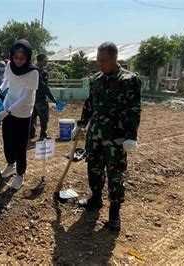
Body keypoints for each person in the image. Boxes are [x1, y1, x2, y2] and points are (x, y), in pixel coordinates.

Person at [71, 42, 142, 231]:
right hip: (95, 135)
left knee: (115, 174)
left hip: (116, 137)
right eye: (98, 60)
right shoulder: (96, 79)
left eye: (103, 60)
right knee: (93, 169)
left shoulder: (129, 80)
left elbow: (134, 110)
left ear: (114, 58)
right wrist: (81, 124)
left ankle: (114, 212)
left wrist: (131, 136)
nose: (99, 64)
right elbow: (89, 104)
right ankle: (95, 199)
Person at [0, 39, 39, 190]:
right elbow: (6, 81)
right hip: (8, 107)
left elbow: (26, 96)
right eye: (16, 57)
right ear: (12, 56)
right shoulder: (9, 65)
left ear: (28, 58)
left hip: (23, 112)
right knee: (7, 141)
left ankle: (20, 174)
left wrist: (8, 111)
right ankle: (10, 165)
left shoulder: (33, 72)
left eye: (22, 58)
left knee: (20, 145)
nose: (18, 61)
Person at [29, 54, 57, 140]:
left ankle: (31, 134)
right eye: (45, 60)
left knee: (32, 118)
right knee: (44, 118)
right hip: (40, 99)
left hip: (31, 99)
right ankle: (43, 135)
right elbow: (44, 86)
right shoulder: (41, 72)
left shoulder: (31, 70)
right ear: (40, 60)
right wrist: (52, 98)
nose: (47, 61)